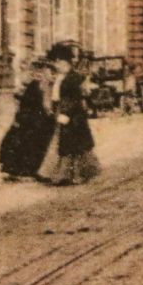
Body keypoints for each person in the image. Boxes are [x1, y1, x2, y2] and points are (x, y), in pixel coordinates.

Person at [38, 43, 101, 185]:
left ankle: (75, 175)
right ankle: (59, 174)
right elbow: (56, 95)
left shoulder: (74, 78)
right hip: (62, 111)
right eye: (56, 62)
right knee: (63, 144)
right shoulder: (60, 77)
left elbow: (75, 98)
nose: (57, 65)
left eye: (59, 62)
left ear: (66, 63)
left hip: (73, 115)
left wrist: (66, 113)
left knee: (74, 146)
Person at [0, 59, 57, 180]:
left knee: (28, 143)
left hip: (32, 118)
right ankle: (25, 170)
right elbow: (34, 104)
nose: (42, 75)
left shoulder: (38, 85)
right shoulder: (36, 86)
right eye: (40, 72)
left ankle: (24, 169)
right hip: (31, 119)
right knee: (29, 143)